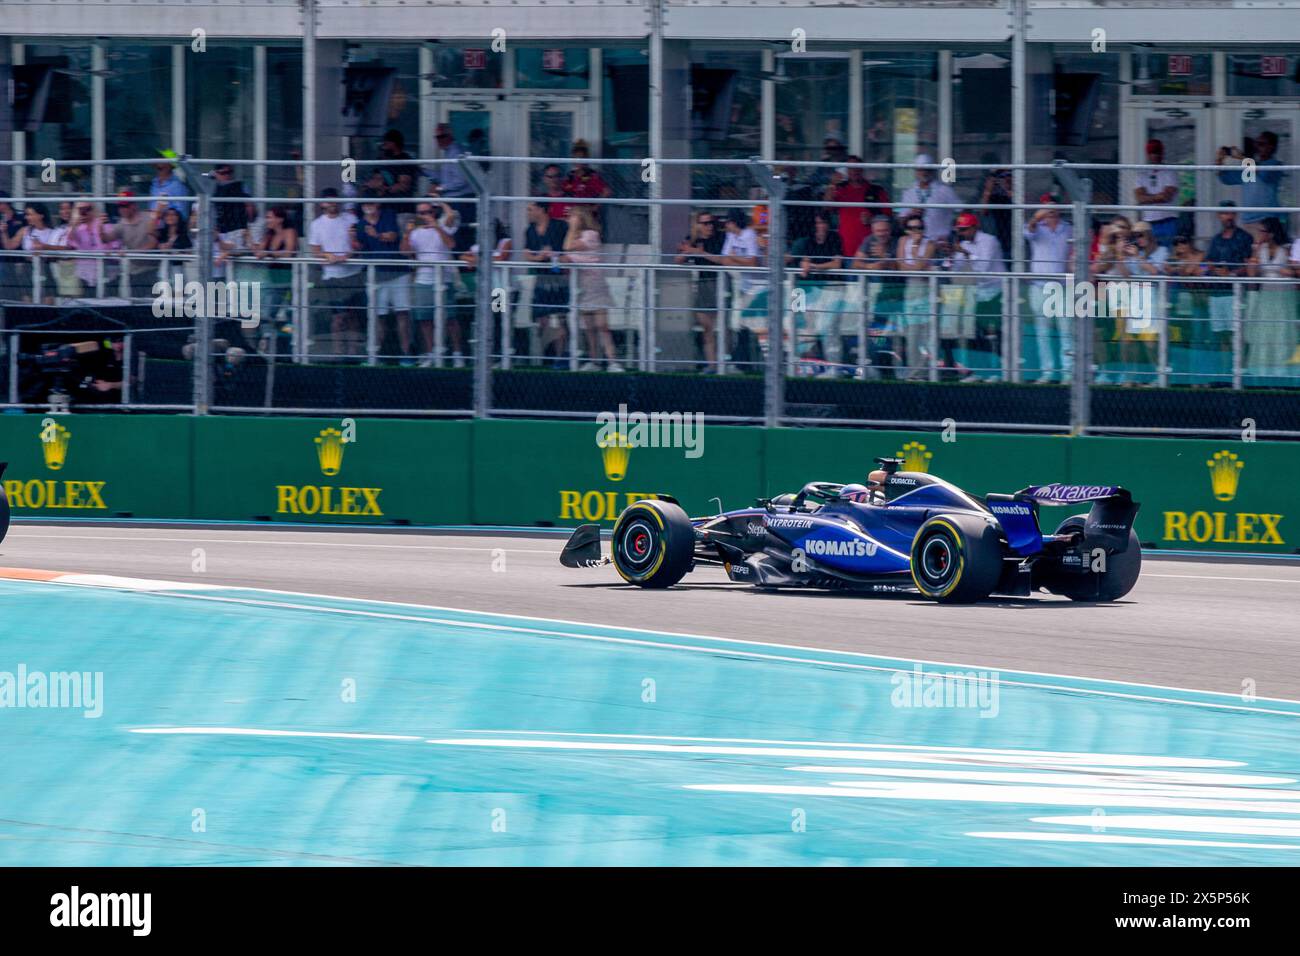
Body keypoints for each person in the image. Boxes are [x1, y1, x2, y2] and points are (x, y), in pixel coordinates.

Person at [942, 211, 1005, 381]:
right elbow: (954, 270)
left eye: (964, 229)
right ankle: (979, 371)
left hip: (994, 293)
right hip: (976, 294)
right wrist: (951, 255)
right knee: (976, 336)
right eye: (959, 230)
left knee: (995, 335)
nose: (961, 233)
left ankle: (998, 373)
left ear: (975, 227)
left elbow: (982, 269)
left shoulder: (989, 240)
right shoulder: (964, 244)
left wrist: (965, 253)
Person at [560, 206, 621, 372]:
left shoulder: (590, 235)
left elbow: (568, 248)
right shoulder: (574, 236)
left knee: (602, 325)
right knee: (588, 327)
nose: (569, 219)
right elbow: (566, 255)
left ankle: (612, 361)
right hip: (580, 286)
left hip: (595, 284)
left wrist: (572, 228)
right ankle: (594, 360)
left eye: (572, 217)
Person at [352, 194, 412, 364]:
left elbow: (392, 236)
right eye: (364, 203)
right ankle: (375, 355)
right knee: (378, 316)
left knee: (403, 313)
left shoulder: (388, 215)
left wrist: (376, 234)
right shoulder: (360, 224)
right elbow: (359, 248)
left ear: (377, 203)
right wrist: (353, 238)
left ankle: (406, 354)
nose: (367, 206)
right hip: (376, 276)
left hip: (399, 273)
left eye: (370, 202)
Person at [402, 199, 460, 366]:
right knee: (425, 319)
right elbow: (405, 252)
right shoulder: (414, 231)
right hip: (423, 279)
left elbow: (451, 244)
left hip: (444, 278)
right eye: (421, 213)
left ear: (434, 212)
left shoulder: (443, 224)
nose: (425, 216)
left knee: (450, 318)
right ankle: (431, 353)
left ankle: (457, 354)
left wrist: (436, 225)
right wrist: (406, 233)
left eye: (428, 212)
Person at [1023, 197, 1074, 382]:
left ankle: (1068, 372)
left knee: (1066, 330)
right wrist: (1036, 218)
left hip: (1061, 286)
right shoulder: (1037, 227)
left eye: (1053, 206)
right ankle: (1047, 372)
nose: (1050, 210)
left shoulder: (1068, 228)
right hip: (1039, 286)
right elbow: (1028, 232)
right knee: (1043, 332)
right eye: (1046, 207)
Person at [307, 186, 363, 357]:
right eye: (329, 200)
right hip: (332, 276)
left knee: (353, 316)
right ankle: (339, 352)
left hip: (353, 273)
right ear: (323, 203)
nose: (332, 203)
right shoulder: (316, 224)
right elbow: (314, 250)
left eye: (335, 199)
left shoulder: (351, 218)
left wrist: (351, 251)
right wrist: (328, 255)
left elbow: (360, 245)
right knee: (338, 317)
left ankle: (353, 353)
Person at [1203, 201, 1254, 378]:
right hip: (1217, 292)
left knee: (1237, 333)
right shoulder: (1216, 240)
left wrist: (1231, 273)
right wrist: (1217, 271)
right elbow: (1208, 262)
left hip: (1235, 292)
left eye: (1231, 213)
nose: (1228, 217)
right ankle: (1225, 372)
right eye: (1225, 213)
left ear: (1236, 215)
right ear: (1219, 216)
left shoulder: (1244, 237)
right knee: (1221, 334)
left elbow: (1248, 265)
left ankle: (1240, 370)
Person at [1243, 217, 1297, 379]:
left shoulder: (1286, 249)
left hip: (1283, 296)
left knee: (1281, 331)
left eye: (1262, 231)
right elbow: (1252, 273)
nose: (1259, 234)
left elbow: (1294, 272)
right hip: (1266, 296)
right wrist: (1256, 249)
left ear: (1271, 234)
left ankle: (1282, 373)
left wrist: (1286, 272)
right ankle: (1262, 374)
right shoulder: (1261, 250)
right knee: (1265, 331)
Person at [853, 214, 904, 377]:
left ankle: (900, 368)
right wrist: (872, 266)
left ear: (890, 230)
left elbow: (901, 267)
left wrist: (884, 256)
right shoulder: (870, 241)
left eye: (885, 230)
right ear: (873, 230)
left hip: (900, 293)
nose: (881, 234)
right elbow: (855, 263)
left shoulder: (898, 241)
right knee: (877, 332)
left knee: (900, 332)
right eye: (878, 230)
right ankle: (879, 363)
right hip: (881, 295)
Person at [675, 211, 726, 369]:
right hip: (703, 283)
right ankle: (712, 365)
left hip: (720, 283)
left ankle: (726, 362)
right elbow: (678, 260)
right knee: (707, 328)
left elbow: (722, 259)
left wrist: (699, 252)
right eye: (705, 223)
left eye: (711, 223)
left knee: (723, 327)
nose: (709, 226)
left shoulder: (719, 238)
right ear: (697, 225)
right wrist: (687, 251)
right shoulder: (693, 240)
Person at [522, 201, 570, 365]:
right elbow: (527, 254)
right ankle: (547, 356)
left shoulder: (559, 226)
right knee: (541, 318)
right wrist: (539, 258)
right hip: (541, 278)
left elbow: (568, 251)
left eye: (530, 209)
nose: (528, 212)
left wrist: (553, 255)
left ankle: (561, 357)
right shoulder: (529, 230)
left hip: (559, 278)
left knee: (560, 318)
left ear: (541, 210)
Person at [248, 206, 298, 355]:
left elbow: (289, 252)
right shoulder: (268, 234)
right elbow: (259, 252)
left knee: (291, 312)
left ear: (280, 219)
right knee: (267, 313)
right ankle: (266, 345)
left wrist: (269, 254)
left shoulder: (290, 232)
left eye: (270, 217)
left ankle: (293, 346)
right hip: (272, 279)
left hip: (288, 279)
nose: (267, 220)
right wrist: (249, 239)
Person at [1218, 131, 1285, 241]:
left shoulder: (1275, 164)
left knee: (1266, 253)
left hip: (1267, 220)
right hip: (1248, 221)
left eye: (1261, 144)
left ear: (1272, 147)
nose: (1257, 147)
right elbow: (1225, 178)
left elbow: (1265, 175)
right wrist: (1220, 160)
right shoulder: (1250, 166)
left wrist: (1244, 158)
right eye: (1256, 144)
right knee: (1252, 256)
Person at [824, 159, 889, 271]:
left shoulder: (875, 190)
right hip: (846, 248)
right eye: (851, 168)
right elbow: (826, 207)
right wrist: (831, 185)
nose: (854, 171)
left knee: (872, 286)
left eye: (857, 167)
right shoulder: (840, 189)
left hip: (870, 250)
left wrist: (873, 219)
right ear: (847, 171)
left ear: (862, 169)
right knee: (850, 286)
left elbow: (888, 217)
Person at [896, 214, 936, 378]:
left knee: (926, 333)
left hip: (926, 290)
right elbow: (899, 265)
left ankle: (925, 372)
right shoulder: (902, 241)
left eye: (919, 228)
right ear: (907, 229)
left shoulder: (930, 244)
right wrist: (915, 265)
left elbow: (920, 265)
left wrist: (913, 252)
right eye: (912, 228)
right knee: (912, 333)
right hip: (910, 290)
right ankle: (913, 371)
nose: (916, 231)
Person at [900, 153, 961, 242]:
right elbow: (901, 222)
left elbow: (962, 213)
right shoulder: (908, 193)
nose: (924, 172)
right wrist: (910, 214)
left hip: (941, 242)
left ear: (933, 170)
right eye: (921, 169)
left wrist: (952, 234)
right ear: (916, 171)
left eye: (927, 169)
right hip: (917, 244)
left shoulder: (945, 190)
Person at [108, 191, 158, 299]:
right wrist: (100, 226)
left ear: (133, 206)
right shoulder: (121, 224)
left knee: (156, 305)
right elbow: (106, 239)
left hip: (152, 270)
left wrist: (131, 252)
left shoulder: (148, 218)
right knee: (136, 304)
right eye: (120, 206)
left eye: (125, 206)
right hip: (134, 272)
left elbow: (153, 243)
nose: (122, 209)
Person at [66, 201, 121, 294]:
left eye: (87, 209)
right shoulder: (77, 229)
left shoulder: (105, 225)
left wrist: (101, 232)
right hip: (85, 276)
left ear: (93, 210)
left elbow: (116, 248)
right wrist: (73, 224)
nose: (84, 212)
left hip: (107, 276)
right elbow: (69, 244)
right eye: (81, 210)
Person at [1133, 139, 1180, 247]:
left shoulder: (1170, 172)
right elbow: (1139, 198)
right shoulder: (1142, 174)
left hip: (1168, 221)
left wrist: (1147, 198)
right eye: (1151, 153)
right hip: (1148, 222)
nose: (1154, 155)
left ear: (1162, 153)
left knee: (1167, 253)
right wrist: (1157, 196)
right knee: (1149, 252)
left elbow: (1166, 197)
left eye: (1157, 152)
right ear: (1148, 154)